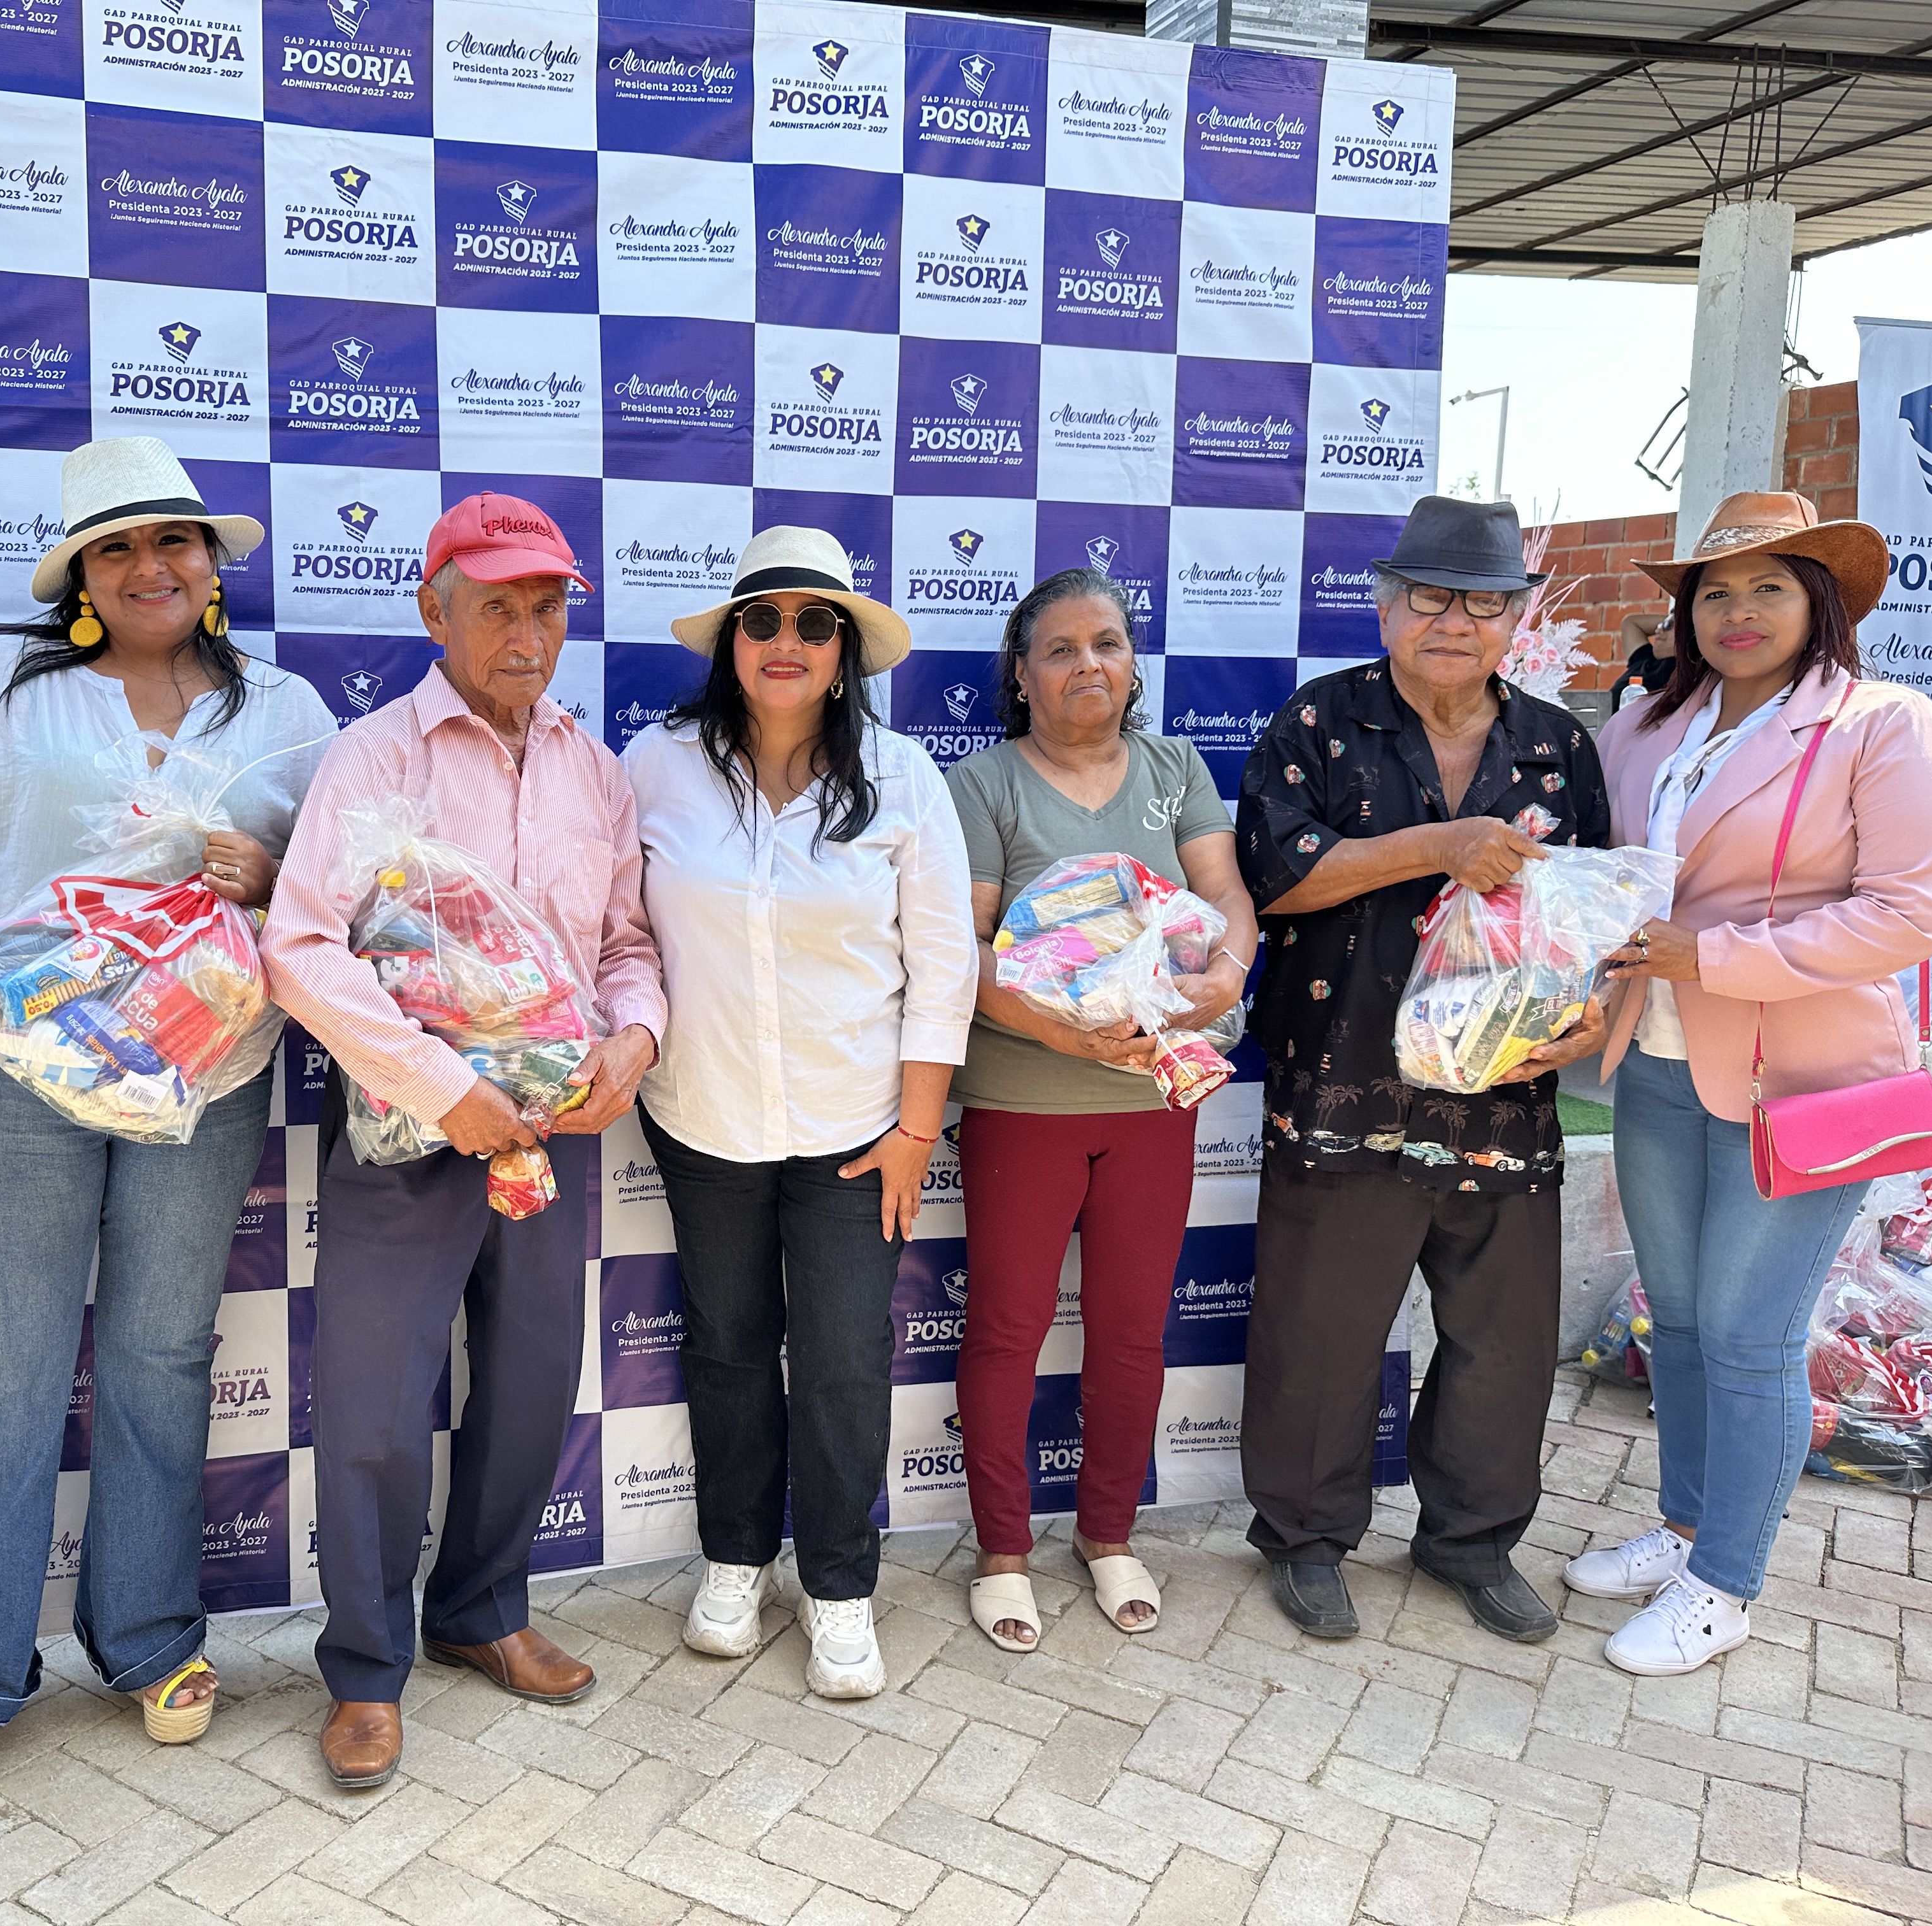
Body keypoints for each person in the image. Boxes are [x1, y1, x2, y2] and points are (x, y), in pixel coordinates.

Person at [0, 437, 334, 1793]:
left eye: (172, 540)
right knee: (7, 1370)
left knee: (160, 1356)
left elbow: (344, 895)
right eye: (114, 547)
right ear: (79, 574)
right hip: (14, 1069)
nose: (148, 566)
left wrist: (272, 873)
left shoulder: (285, 710)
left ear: (212, 562)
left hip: (204, 1072)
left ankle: (148, 1638)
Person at [261, 491, 664, 1788]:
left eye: (547, 607)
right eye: (497, 607)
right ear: (435, 611)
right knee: (376, 1408)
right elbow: (301, 947)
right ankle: (366, 1670)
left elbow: (625, 946)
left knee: (535, 1380)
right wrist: (443, 1090)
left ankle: (483, 1610)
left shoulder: (596, 771)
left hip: (555, 1128)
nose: (527, 633)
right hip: (410, 1130)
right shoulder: (376, 758)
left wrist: (635, 1040)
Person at [1573, 492, 1932, 1675]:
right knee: (1683, 1318)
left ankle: (1726, 1586)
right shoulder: (1645, 727)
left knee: (1751, 1334)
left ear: (1819, 603)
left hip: (1801, 1080)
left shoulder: (1884, 726)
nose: (1737, 612)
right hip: (1657, 1061)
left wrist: (1716, 957)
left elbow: (1908, 914)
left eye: (1769, 588)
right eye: (1715, 591)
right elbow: (1605, 879)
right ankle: (1687, 1526)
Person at [1235, 496, 1611, 1646]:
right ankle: (1306, 1540)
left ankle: (1472, 1543)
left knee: (1504, 1345)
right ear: (1388, 609)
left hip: (1505, 1091)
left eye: (1484, 603)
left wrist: (1597, 1014)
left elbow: (1593, 914)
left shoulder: (1556, 744)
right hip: (1347, 1078)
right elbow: (1276, 879)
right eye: (1433, 597)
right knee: (1321, 1333)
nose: (1456, 621)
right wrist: (1438, 848)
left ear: (1516, 620)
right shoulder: (1319, 721)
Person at [623, 526, 977, 1698]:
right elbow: (616, 933)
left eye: (814, 622)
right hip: (704, 1118)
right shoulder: (654, 765)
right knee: (726, 1346)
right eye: (763, 619)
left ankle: (838, 1585)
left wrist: (916, 1132)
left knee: (841, 1361)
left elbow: (944, 970)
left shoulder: (906, 777)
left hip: (856, 1132)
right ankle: (735, 1561)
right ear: (731, 640)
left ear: (844, 649)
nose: (788, 640)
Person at [943, 567, 1257, 1651]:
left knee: (1131, 1332)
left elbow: (1227, 898)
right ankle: (1002, 1551)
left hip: (1153, 1103)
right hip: (1023, 1101)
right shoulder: (983, 784)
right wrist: (1066, 1032)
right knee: (1006, 1330)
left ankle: (1109, 1533)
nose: (1089, 664)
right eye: (1062, 649)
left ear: (1133, 665)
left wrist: (1228, 973)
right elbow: (966, 955)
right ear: (1021, 676)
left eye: (1109, 644)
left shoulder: (1176, 769)